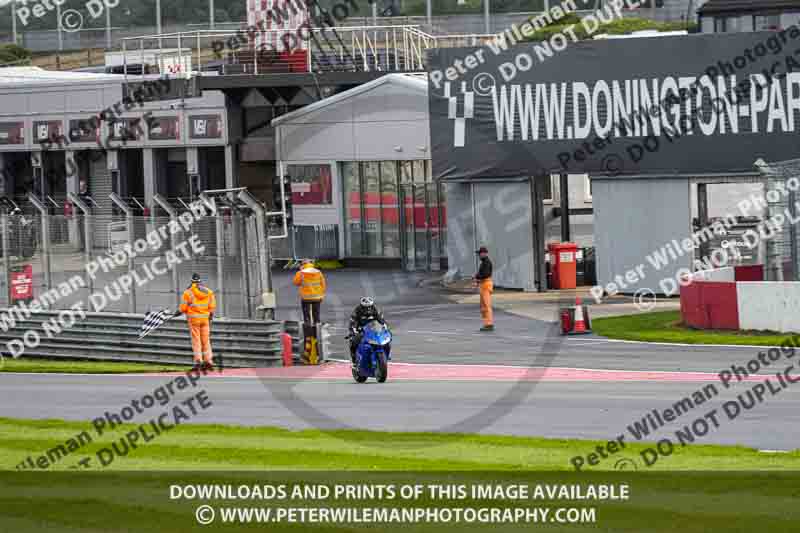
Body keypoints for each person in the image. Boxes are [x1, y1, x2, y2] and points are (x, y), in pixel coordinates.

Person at [177, 273, 217, 371]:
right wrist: (210, 316)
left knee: (196, 342)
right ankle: (208, 362)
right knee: (206, 341)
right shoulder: (209, 292)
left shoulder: (188, 293)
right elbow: (212, 307)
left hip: (194, 320)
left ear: (191, 281)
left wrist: (177, 313)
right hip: (205, 320)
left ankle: (198, 362)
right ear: (200, 281)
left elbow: (183, 308)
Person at [348, 296, 385, 363]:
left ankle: (387, 354)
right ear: (361, 306)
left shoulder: (375, 309)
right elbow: (352, 322)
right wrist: (353, 331)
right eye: (365, 307)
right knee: (353, 342)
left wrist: (384, 326)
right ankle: (354, 361)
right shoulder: (357, 311)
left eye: (369, 306)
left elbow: (381, 320)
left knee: (388, 337)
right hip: (361, 331)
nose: (368, 309)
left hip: (374, 330)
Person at [292, 259, 327, 325]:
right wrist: (322, 295)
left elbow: (295, 282)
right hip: (317, 297)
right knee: (316, 315)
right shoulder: (318, 272)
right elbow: (323, 284)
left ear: (302, 265)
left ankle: (308, 329)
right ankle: (317, 329)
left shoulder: (301, 273)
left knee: (306, 315)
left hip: (306, 298)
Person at [474, 246, 494, 332]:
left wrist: (477, 277)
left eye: (480, 253)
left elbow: (485, 274)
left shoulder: (487, 262)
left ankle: (489, 324)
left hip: (486, 285)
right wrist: (477, 278)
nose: (479, 255)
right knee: (483, 306)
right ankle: (486, 323)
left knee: (486, 305)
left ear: (484, 253)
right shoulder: (484, 262)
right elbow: (482, 274)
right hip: (483, 284)